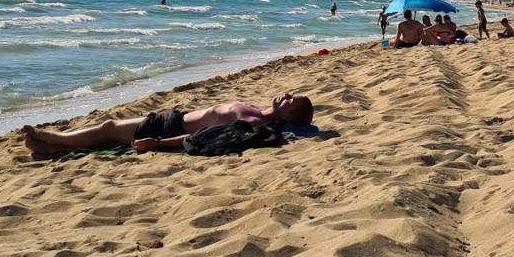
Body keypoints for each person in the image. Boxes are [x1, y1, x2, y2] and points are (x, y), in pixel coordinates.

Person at [21, 94, 314, 157]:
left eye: (291, 101)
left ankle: (54, 138)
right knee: (110, 137)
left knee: (110, 127)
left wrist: (159, 144)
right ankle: (51, 147)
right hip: (174, 117)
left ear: (287, 117)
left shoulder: (251, 122)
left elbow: (205, 136)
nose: (286, 96)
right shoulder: (254, 110)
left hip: (168, 128)